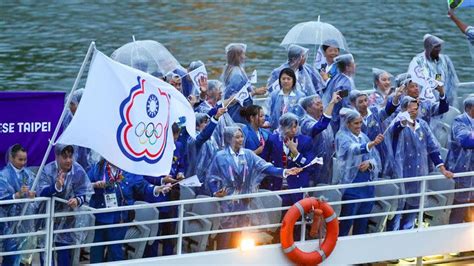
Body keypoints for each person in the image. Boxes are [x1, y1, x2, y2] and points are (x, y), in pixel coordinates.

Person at [206, 126, 301, 249]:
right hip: (227, 202)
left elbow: (265, 167)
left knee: (240, 237)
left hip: (245, 201)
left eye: (241, 137)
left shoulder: (248, 154)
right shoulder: (220, 156)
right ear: (229, 139)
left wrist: (285, 171)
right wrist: (215, 192)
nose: (240, 140)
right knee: (224, 236)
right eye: (237, 137)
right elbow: (211, 178)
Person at [384, 97, 454, 231]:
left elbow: (433, 148)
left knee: (412, 212)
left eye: (415, 109)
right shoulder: (396, 125)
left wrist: (443, 169)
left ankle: (407, 240)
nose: (413, 112)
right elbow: (396, 129)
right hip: (401, 176)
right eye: (409, 109)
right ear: (403, 109)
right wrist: (403, 120)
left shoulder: (422, 125)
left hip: (418, 176)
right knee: (397, 212)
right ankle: (393, 242)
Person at [88, 158, 171, 263]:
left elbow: (142, 186)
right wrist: (95, 185)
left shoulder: (130, 169)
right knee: (96, 253)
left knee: (115, 253)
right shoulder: (97, 168)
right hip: (100, 218)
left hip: (120, 219)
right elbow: (84, 186)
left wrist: (156, 189)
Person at [37, 144, 94, 266]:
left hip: (67, 219)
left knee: (64, 252)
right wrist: (57, 186)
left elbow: (86, 191)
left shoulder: (78, 170)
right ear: (57, 156)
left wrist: (77, 200)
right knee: (45, 251)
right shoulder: (47, 170)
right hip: (46, 219)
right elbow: (41, 192)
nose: (68, 160)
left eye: (70, 156)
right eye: (64, 157)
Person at [335, 109, 384, 236]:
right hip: (351, 189)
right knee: (345, 224)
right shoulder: (341, 137)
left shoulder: (363, 136)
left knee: (362, 225)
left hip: (367, 188)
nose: (359, 126)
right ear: (348, 124)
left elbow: (375, 159)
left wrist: (370, 164)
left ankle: (359, 254)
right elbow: (352, 150)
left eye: (360, 123)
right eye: (356, 123)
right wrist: (372, 144)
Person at [143, 123, 185, 257]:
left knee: (171, 231)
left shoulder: (178, 146)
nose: (174, 139)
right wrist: (161, 180)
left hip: (172, 195)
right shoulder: (152, 148)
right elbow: (145, 175)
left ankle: (169, 258)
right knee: (154, 231)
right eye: (172, 136)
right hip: (156, 197)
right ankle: (152, 259)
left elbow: (182, 164)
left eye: (176, 136)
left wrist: (180, 173)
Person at [260, 113, 314, 206]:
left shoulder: (305, 141)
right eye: (290, 127)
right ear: (282, 127)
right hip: (277, 186)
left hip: (297, 187)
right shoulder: (273, 140)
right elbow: (263, 162)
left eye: (295, 127)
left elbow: (310, 167)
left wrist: (295, 152)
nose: (293, 130)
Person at [349, 88, 402, 173]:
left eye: (366, 100)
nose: (364, 104)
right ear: (353, 104)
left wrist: (396, 97)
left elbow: (388, 110)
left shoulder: (375, 112)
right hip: (362, 157)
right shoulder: (351, 119)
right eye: (360, 102)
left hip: (381, 152)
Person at [0, 144, 36, 266]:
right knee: (11, 256)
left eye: (25, 159)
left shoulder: (29, 174)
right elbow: (2, 197)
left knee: (26, 258)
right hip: (9, 223)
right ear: (11, 158)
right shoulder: (3, 175)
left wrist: (32, 196)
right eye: (20, 159)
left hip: (26, 222)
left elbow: (37, 194)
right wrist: (17, 195)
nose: (23, 162)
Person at [299, 91, 341, 185]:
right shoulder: (305, 123)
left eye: (321, 103)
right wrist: (332, 103)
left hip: (326, 164)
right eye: (317, 104)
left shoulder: (325, 121)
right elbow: (319, 127)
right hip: (313, 166)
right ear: (308, 108)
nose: (321, 106)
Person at [408, 34, 459, 107]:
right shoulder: (418, 61)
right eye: (436, 47)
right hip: (426, 101)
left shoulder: (444, 60)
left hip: (444, 99)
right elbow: (415, 81)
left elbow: (450, 80)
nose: (439, 49)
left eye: (439, 46)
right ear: (428, 47)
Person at [221, 43, 267, 124]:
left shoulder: (232, 69)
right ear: (237, 57)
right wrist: (255, 92)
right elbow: (237, 97)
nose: (244, 57)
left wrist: (254, 89)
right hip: (237, 113)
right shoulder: (236, 74)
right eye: (242, 54)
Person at [446, 95, 474, 224]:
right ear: (470, 108)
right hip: (461, 173)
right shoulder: (459, 121)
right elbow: (466, 141)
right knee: (459, 208)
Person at [186, 108, 227, 187]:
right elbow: (204, 136)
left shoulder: (212, 139)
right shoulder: (193, 139)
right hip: (197, 181)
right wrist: (216, 117)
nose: (208, 124)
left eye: (208, 122)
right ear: (197, 126)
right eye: (205, 122)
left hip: (212, 178)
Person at [322, 53, 356, 134]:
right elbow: (346, 104)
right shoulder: (345, 85)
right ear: (347, 67)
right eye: (353, 64)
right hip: (337, 121)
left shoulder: (337, 77)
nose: (355, 65)